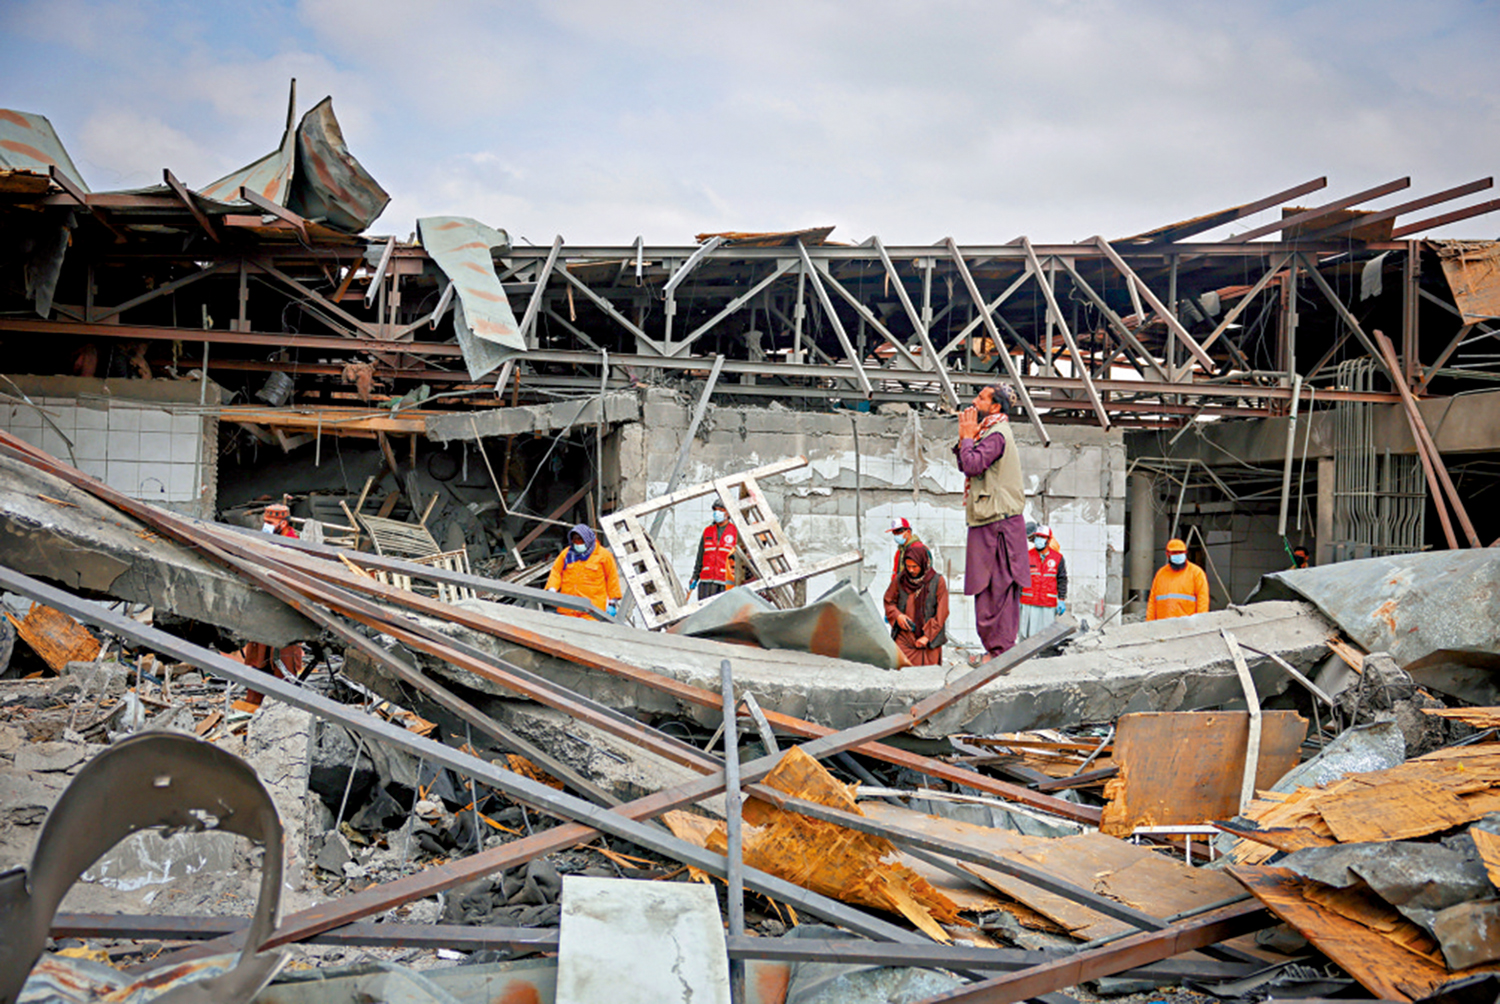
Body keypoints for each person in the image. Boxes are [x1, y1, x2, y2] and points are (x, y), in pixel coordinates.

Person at [954, 383, 1029, 660]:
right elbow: (967, 463)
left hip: (998, 525)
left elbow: (973, 465)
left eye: (981, 398)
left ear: (995, 407)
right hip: (988, 521)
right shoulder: (988, 432)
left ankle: (1000, 652)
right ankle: (994, 650)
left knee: (998, 589)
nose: (974, 402)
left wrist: (967, 438)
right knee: (985, 590)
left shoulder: (997, 434)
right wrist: (965, 439)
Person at [883, 541, 949, 666]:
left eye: (915, 566)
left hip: (929, 641)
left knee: (929, 675)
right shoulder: (900, 579)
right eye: (908, 566)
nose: (911, 570)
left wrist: (927, 636)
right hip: (905, 640)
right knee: (903, 672)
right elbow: (889, 601)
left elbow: (942, 612)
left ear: (923, 563)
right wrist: (898, 615)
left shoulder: (937, 581)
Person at [546, 523, 622, 619]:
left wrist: (612, 602)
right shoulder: (567, 554)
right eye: (575, 540)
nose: (578, 544)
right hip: (568, 608)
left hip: (592, 611)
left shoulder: (604, 556)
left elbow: (612, 578)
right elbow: (556, 572)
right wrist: (552, 589)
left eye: (580, 540)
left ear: (587, 539)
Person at [1018, 523, 1068, 640]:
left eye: (1042, 537)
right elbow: (1020, 578)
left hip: (1047, 603)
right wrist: (1017, 598)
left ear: (1048, 540)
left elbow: (1062, 579)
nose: (1038, 540)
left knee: (1045, 637)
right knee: (1026, 635)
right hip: (1028, 602)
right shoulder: (1027, 556)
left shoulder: (1057, 558)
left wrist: (1061, 599)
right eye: (1037, 537)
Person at [1146, 538, 1210, 621]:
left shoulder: (1196, 573)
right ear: (1167, 554)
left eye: (1181, 552)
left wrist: (1200, 623)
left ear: (1186, 553)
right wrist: (1149, 623)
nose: (1178, 555)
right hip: (1163, 624)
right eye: (1174, 553)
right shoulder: (1161, 574)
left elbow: (1203, 602)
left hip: (1187, 625)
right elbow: (1152, 603)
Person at [688, 500, 738, 600]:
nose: (717, 513)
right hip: (706, 581)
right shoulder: (708, 531)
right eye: (715, 510)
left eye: (721, 510)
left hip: (725, 582)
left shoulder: (735, 532)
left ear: (728, 513)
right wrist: (695, 577)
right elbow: (700, 556)